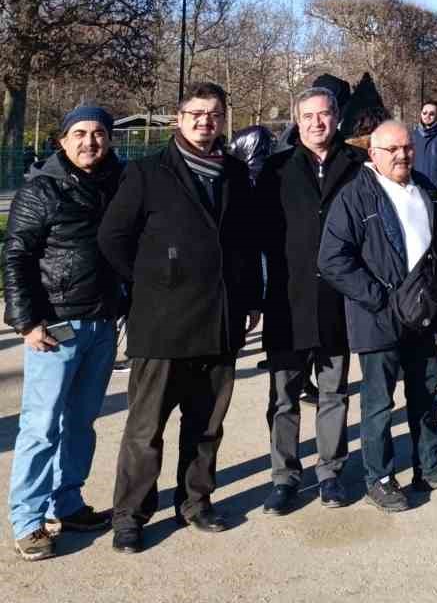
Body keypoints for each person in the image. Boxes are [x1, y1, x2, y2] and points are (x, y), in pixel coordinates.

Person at [98, 82, 261, 551]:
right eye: (195, 113)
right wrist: (151, 279)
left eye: (213, 114)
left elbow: (247, 242)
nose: (205, 121)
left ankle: (195, 501)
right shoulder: (147, 172)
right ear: (179, 118)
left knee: (206, 424)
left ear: (223, 119)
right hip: (163, 321)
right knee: (146, 428)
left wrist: (251, 298)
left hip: (220, 318)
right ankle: (130, 514)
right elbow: (112, 237)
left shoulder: (234, 172)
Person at [318, 119, 437, 512]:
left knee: (425, 393)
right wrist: (379, 297)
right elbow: (332, 259)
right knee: (379, 404)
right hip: (379, 317)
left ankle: (428, 465)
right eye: (392, 149)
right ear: (373, 154)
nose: (402, 155)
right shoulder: (355, 196)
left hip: (423, 315)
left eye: (407, 148)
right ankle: (379, 478)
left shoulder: (426, 188)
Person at [4, 104, 125, 561]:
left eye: (98, 133)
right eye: (80, 133)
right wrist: (26, 322)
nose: (89, 142)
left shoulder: (118, 182)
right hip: (56, 325)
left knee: (80, 423)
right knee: (41, 426)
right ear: (63, 140)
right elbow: (16, 256)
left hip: (102, 323)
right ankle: (28, 520)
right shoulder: (43, 188)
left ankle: (68, 503)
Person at [256, 87, 365, 514]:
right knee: (284, 396)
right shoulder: (276, 169)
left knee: (334, 391)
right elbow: (260, 235)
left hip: (338, 298)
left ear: (337, 117)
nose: (317, 123)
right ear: (296, 121)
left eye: (324, 114)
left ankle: (330, 472)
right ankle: (284, 476)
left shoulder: (359, 165)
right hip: (288, 299)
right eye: (308, 116)